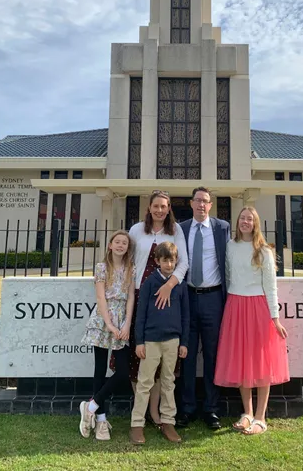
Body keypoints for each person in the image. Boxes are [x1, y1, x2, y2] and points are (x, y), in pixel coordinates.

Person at [214, 206, 289, 435]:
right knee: (241, 361)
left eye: (250, 219)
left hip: (258, 307)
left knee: (261, 363)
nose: (245, 222)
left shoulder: (264, 250)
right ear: (237, 222)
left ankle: (260, 416)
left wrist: (274, 318)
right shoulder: (230, 246)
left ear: (256, 223)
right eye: (242, 219)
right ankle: (247, 413)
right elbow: (227, 275)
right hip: (235, 305)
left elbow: (271, 285)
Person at [128, 191, 188, 426]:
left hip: (167, 296)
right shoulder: (136, 230)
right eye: (155, 206)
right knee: (140, 356)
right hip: (140, 294)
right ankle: (140, 411)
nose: (159, 210)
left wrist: (169, 286)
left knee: (162, 365)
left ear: (169, 207)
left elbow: (183, 261)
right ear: (149, 207)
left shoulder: (176, 231)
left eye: (164, 206)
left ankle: (155, 412)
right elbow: (129, 260)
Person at [177, 186, 230, 430]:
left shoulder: (222, 228)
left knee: (212, 354)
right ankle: (186, 409)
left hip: (213, 299)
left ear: (210, 205)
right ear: (191, 203)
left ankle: (211, 408)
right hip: (187, 298)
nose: (201, 205)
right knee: (186, 355)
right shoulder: (182, 228)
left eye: (205, 201)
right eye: (197, 200)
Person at [79, 230, 135, 441]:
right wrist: (109, 324)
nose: (121, 245)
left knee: (121, 372)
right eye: (117, 242)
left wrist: (127, 323)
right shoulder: (102, 268)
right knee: (99, 371)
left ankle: (90, 406)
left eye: (125, 243)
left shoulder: (131, 269)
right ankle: (101, 420)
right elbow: (100, 297)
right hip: (103, 320)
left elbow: (130, 298)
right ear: (110, 245)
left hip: (123, 320)